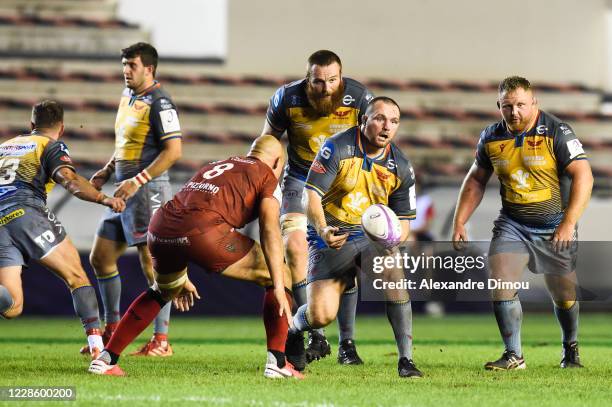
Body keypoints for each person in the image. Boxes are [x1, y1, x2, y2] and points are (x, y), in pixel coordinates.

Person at [89, 135, 302, 379]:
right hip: (204, 233)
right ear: (276, 163)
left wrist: (180, 272)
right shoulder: (265, 175)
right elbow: (269, 229)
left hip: (160, 228)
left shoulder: (214, 165)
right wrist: (278, 283)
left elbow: (186, 213)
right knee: (281, 274)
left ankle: (106, 360)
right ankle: (277, 362)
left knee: (163, 291)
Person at [452, 76, 593, 370]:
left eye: (520, 105)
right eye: (507, 106)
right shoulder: (491, 137)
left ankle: (570, 347)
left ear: (534, 103)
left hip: (555, 225)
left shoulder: (557, 131)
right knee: (500, 279)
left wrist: (569, 223)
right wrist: (460, 221)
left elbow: (584, 175)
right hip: (512, 223)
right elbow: (476, 179)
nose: (514, 112)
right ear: (499, 106)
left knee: (564, 295)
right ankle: (513, 354)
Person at [287, 96, 424, 378]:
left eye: (394, 121)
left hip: (369, 238)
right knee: (321, 315)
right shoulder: (336, 147)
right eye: (379, 118)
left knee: (394, 273)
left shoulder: (401, 165)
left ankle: (406, 361)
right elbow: (310, 195)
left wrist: (391, 241)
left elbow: (406, 222)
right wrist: (323, 229)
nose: (387, 127)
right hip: (331, 235)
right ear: (363, 121)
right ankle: (293, 327)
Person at [261, 50, 373, 368]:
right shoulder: (286, 98)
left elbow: (378, 144)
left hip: (343, 185)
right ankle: (316, 332)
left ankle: (347, 345)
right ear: (307, 78)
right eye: (318, 81)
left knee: (345, 261)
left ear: (342, 77)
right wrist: (257, 184)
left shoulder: (360, 97)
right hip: (299, 180)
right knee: (294, 247)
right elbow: (267, 143)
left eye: (332, 81)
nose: (325, 88)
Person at [0, 100, 125, 358]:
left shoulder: (4, 147)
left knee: (12, 305)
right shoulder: (50, 145)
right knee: (77, 278)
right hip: (25, 212)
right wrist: (105, 199)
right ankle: (98, 353)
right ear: (62, 128)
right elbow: (68, 179)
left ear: (31, 125)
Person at [81, 42, 183, 357]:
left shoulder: (161, 103)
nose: (126, 70)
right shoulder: (128, 96)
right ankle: (113, 328)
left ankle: (161, 339)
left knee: (151, 264)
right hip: (125, 191)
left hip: (148, 191)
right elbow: (126, 141)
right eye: (124, 64)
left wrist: (137, 180)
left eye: (132, 65)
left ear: (149, 68)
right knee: (100, 256)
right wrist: (108, 169)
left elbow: (173, 151)